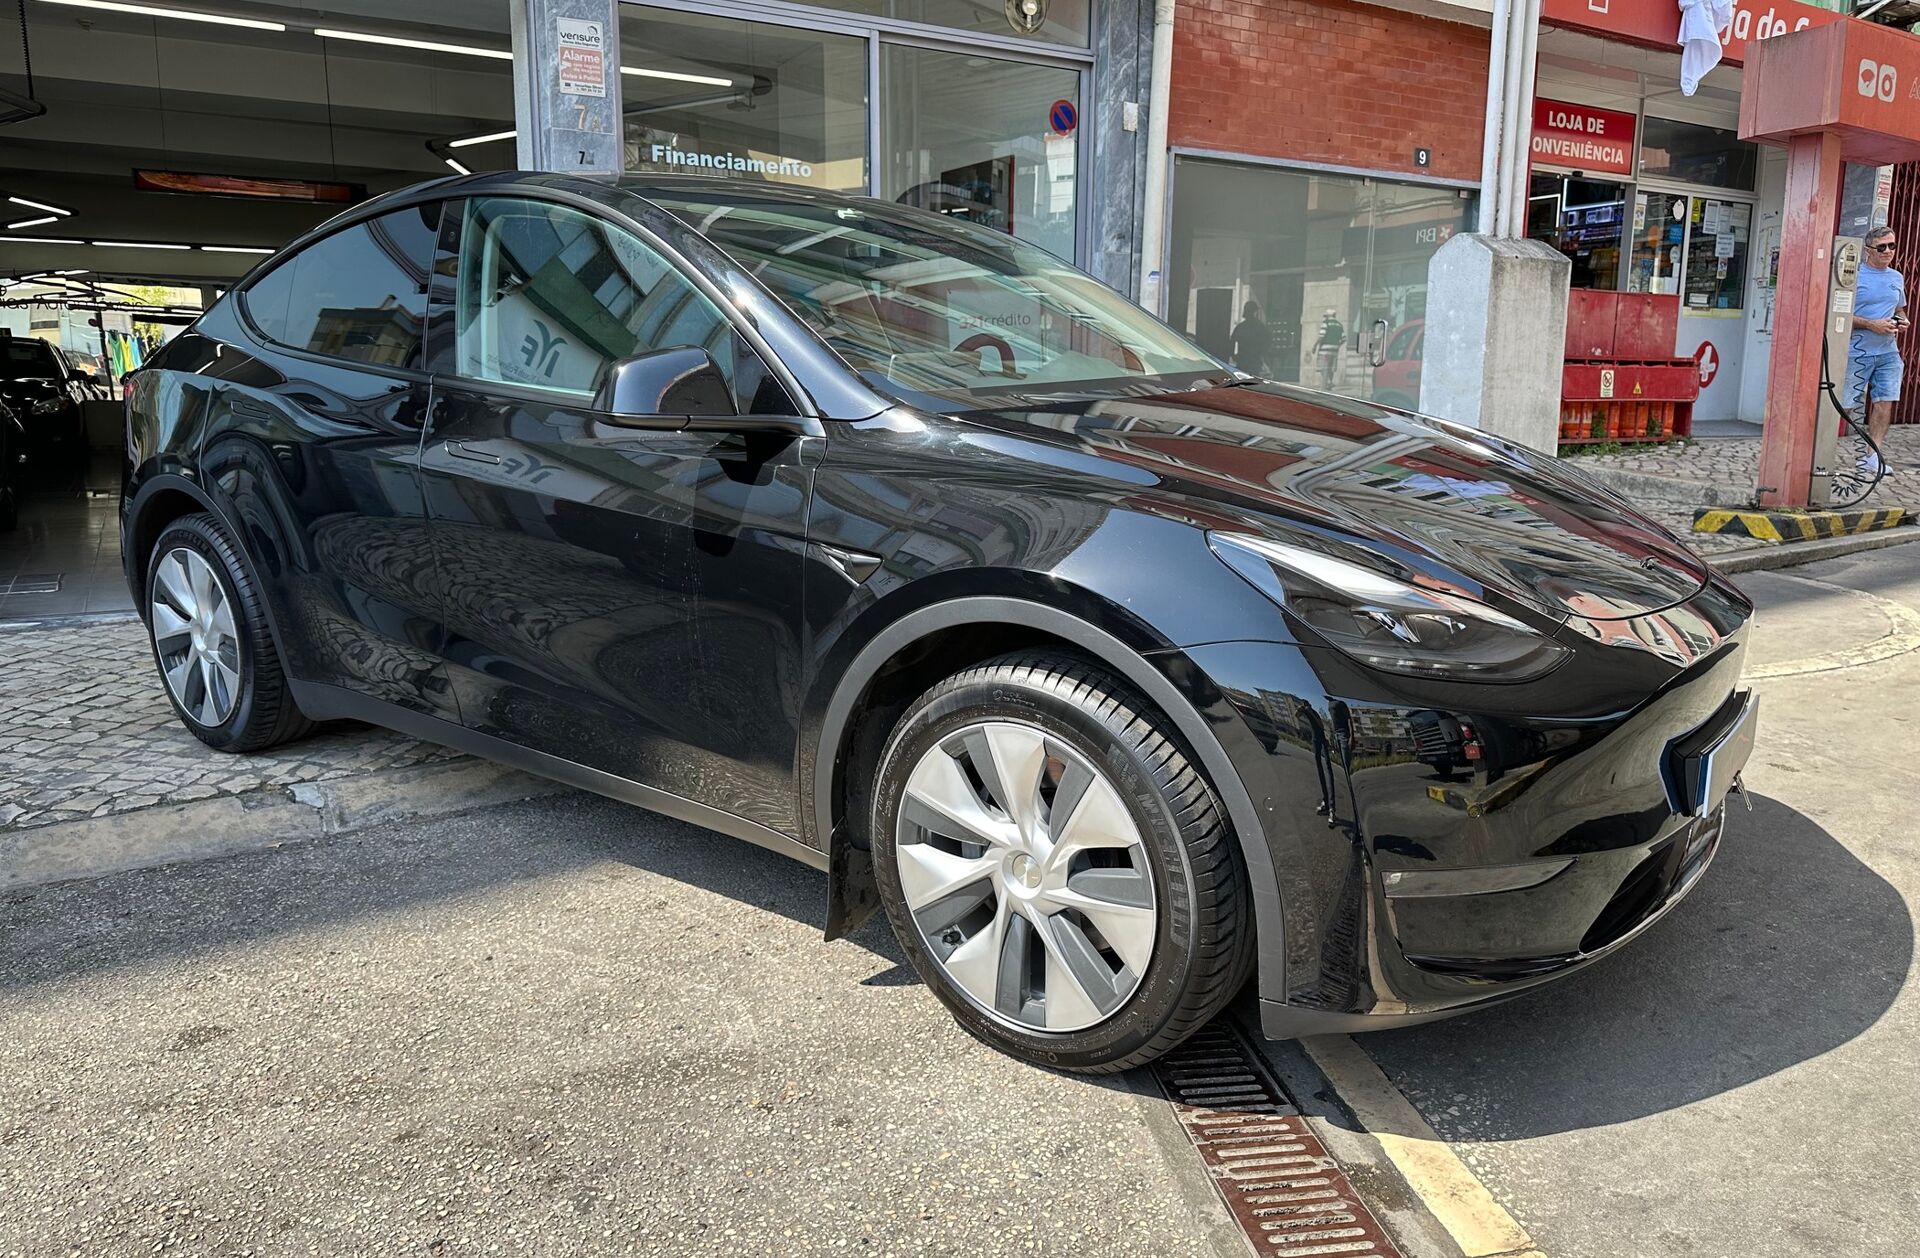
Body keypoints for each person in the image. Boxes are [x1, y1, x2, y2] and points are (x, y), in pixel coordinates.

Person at [1847, 224, 1908, 477]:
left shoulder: (1896, 277)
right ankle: (1818, 452)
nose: (1888, 251)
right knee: (1843, 404)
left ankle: (1873, 457)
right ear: (1868, 249)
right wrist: (1871, 324)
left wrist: (1902, 320)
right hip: (1855, 352)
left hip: (1887, 352)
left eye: (1892, 246)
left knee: (1885, 402)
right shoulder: (1854, 275)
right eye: (1881, 247)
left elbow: (1898, 309)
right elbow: (1837, 314)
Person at [1229, 300, 1270, 377]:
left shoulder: (1241, 327)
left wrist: (1233, 355)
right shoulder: (1259, 327)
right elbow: (1267, 342)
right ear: (1254, 312)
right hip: (1253, 360)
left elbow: (1231, 342)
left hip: (1243, 360)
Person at [1314, 308, 1344, 389]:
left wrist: (1315, 346)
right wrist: (1337, 345)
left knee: (1322, 367)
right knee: (1330, 367)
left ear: (1327, 316)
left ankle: (1325, 384)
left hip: (1325, 351)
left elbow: (1321, 336)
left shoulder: (1325, 323)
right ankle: (1330, 382)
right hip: (1334, 350)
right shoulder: (1339, 325)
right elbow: (1344, 338)